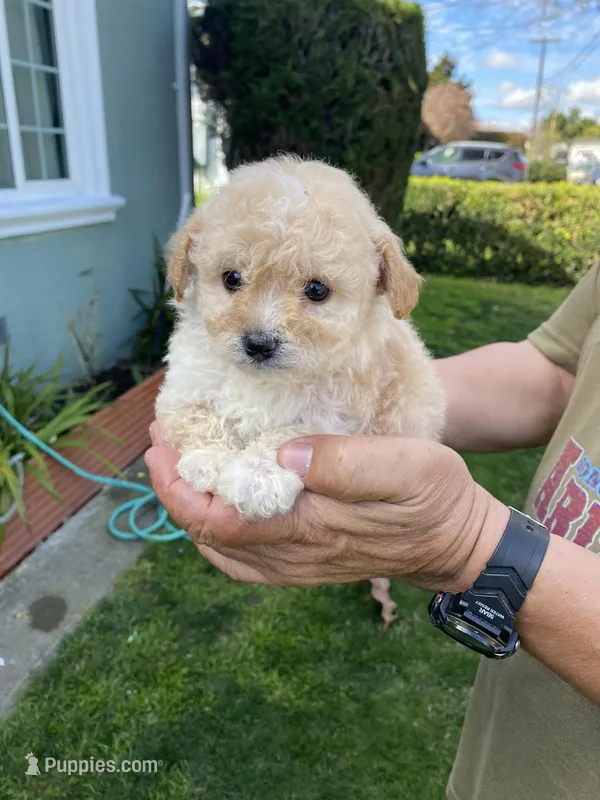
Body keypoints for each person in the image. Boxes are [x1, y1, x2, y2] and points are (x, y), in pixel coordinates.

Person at [145, 261, 600, 800]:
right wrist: (362, 398)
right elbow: (560, 376)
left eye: (314, 289)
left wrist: (471, 546)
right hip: (503, 763)